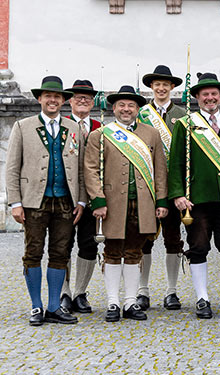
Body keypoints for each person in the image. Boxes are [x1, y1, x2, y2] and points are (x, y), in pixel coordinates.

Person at [168, 73, 220, 319]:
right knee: (198, 247)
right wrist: (177, 195)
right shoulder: (186, 125)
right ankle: (202, 299)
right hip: (197, 198)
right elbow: (175, 165)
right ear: (197, 97)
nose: (210, 98)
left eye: (214, 93)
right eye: (205, 94)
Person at [84, 85, 168, 322]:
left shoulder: (151, 134)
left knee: (134, 252)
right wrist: (97, 200)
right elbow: (90, 170)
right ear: (114, 108)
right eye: (122, 104)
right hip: (111, 203)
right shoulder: (100, 134)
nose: (126, 109)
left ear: (137, 109)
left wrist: (161, 200)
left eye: (131, 105)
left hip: (142, 203)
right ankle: (113, 302)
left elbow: (160, 170)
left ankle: (130, 302)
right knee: (112, 252)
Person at [6, 76, 85, 326]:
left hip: (65, 201)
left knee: (60, 252)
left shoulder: (73, 129)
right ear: (39, 99)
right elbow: (12, 168)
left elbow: (82, 169)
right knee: (33, 252)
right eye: (48, 96)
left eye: (58, 97)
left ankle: (54, 307)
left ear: (63, 101)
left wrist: (81, 201)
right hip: (33, 201)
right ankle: (36, 306)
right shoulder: (23, 126)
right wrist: (15, 202)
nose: (53, 100)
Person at [136, 64, 186, 311]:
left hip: (174, 185)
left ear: (172, 87)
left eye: (166, 84)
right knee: (144, 238)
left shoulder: (183, 115)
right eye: (157, 84)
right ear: (151, 87)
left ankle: (171, 290)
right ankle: (142, 290)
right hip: (147, 184)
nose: (161, 88)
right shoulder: (140, 114)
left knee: (173, 238)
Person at [62, 79, 103, 313]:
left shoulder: (100, 127)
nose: (83, 100)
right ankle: (63, 292)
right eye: (78, 96)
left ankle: (80, 292)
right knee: (62, 244)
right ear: (70, 100)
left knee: (88, 244)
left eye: (87, 97)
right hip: (66, 195)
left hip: (92, 196)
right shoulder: (63, 125)